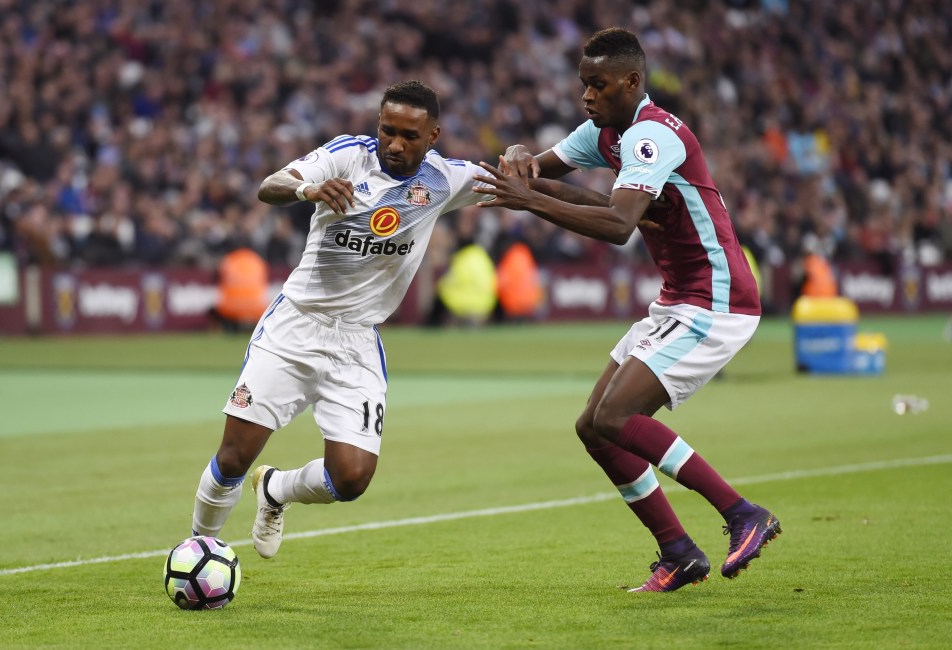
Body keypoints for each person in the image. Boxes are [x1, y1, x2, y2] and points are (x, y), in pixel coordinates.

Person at [473, 27, 780, 592]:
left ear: (632, 81)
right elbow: (544, 174)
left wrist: (528, 199)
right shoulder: (605, 132)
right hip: (678, 298)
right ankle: (679, 552)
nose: (586, 96)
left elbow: (617, 225)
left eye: (598, 84)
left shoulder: (652, 137)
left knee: (616, 418)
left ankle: (742, 513)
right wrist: (520, 163)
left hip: (717, 300)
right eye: (583, 84)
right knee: (593, 427)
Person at [191, 80, 494, 559]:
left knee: (351, 478)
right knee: (233, 456)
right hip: (296, 326)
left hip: (356, 340)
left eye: (408, 136)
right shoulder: (347, 155)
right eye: (386, 130)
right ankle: (199, 549)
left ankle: (275, 491)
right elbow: (270, 186)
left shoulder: (446, 179)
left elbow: (522, 180)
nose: (394, 143)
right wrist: (308, 187)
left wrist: (606, 197)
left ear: (433, 134)